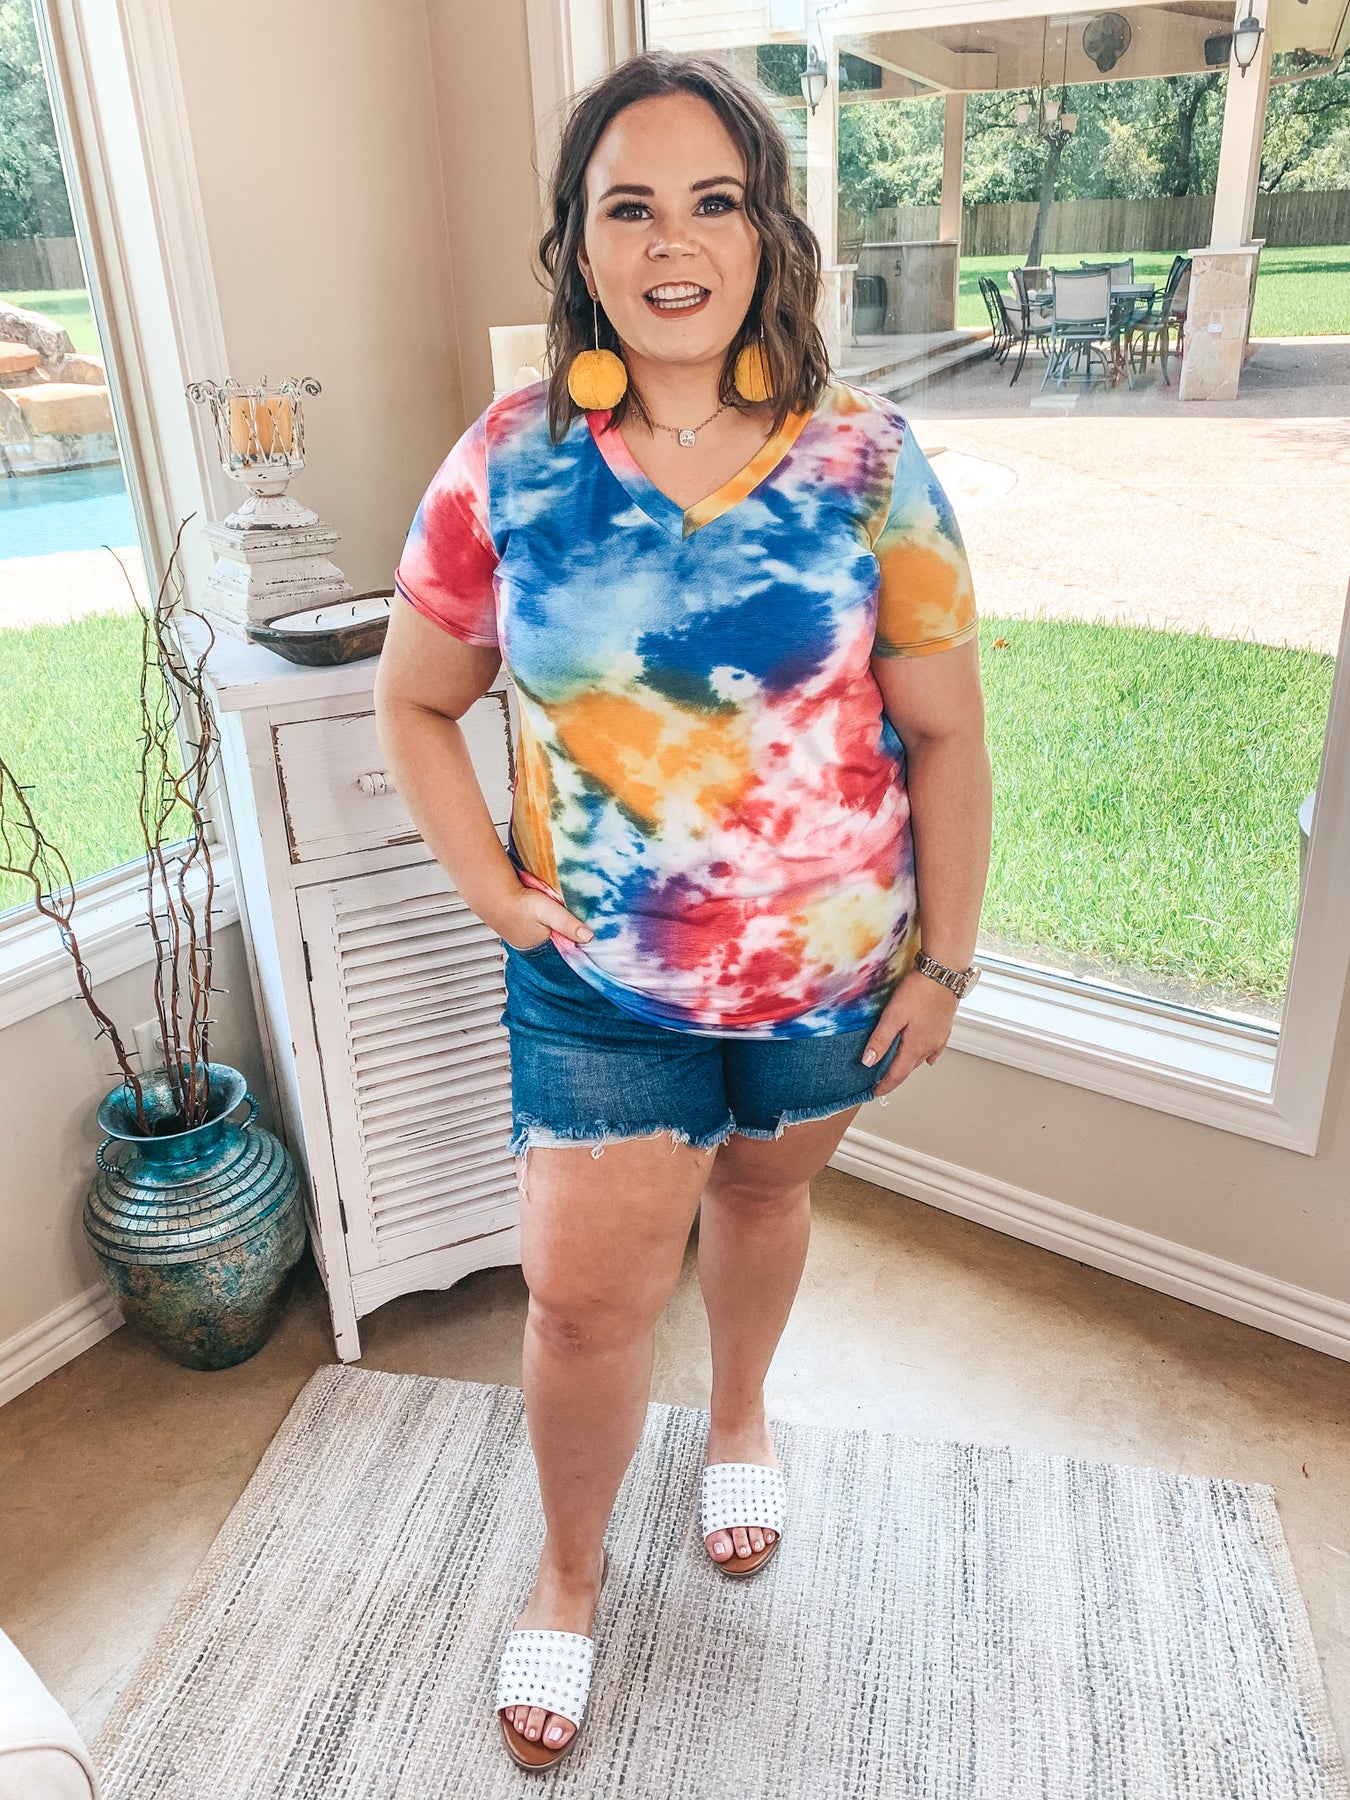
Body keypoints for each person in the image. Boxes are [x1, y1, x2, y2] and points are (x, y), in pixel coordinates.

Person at [374, 47, 992, 1773]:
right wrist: (493, 894)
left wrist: (944, 964)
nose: (671, 241)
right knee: (582, 1306)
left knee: (765, 1200)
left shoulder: (866, 459)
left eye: (711, 201)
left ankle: (736, 1421)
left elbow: (946, 738)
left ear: (763, 231)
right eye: (627, 205)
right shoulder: (509, 462)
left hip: (831, 979)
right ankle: (566, 1577)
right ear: (578, 241)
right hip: (600, 988)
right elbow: (414, 698)